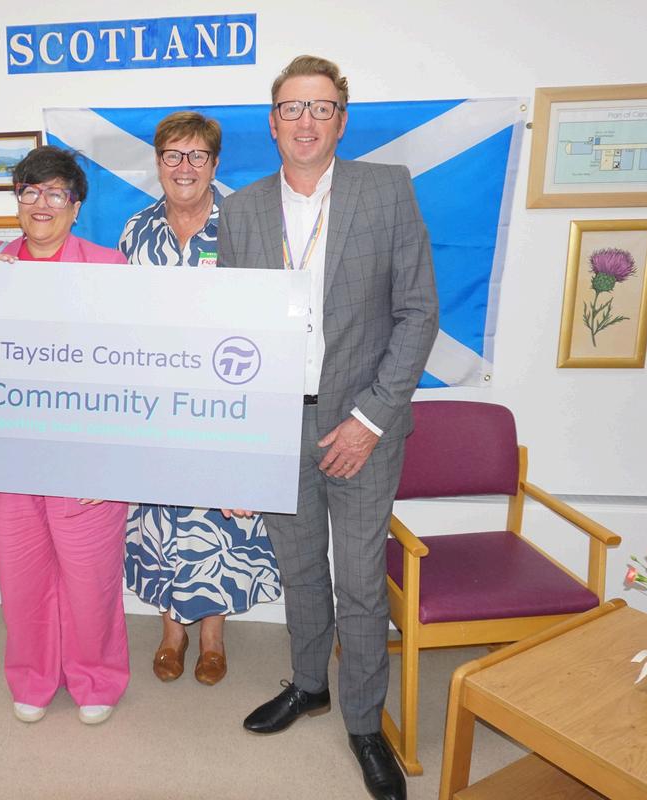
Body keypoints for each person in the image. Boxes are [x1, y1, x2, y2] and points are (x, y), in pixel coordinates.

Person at [218, 55, 439, 800]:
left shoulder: (386, 189)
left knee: (361, 582)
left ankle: (365, 724)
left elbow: (418, 313)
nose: (306, 121)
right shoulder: (242, 210)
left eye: (321, 108)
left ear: (341, 121)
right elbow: (233, 337)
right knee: (301, 569)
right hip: (279, 425)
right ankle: (309, 684)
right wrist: (242, 447)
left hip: (362, 424)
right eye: (292, 108)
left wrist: (370, 419)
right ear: (272, 122)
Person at [119, 111, 281, 686]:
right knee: (164, 514)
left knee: (218, 518)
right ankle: (172, 631)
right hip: (156, 403)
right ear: (158, 162)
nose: (183, 167)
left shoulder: (244, 223)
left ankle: (212, 635)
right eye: (172, 155)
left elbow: (269, 317)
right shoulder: (135, 232)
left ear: (214, 164)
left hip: (227, 398)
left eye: (196, 156)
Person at [0, 146, 130, 726]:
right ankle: (33, 676)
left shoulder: (110, 268)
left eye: (56, 192)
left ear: (76, 204)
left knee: (90, 580)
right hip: (8, 455)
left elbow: (133, 369)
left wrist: (112, 461)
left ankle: (96, 677)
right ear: (17, 200)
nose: (42, 203)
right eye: (30, 191)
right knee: (21, 578)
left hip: (84, 456)